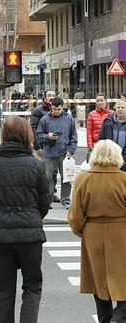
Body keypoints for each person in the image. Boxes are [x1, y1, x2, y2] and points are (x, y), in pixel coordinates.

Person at [0, 116, 50, 323]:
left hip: (0, 233)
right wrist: (31, 215)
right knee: (32, 286)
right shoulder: (36, 165)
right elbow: (45, 202)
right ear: (26, 135)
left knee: (4, 291)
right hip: (29, 232)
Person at [67, 139, 126, 323]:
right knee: (123, 279)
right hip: (121, 232)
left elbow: (75, 215)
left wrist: (82, 231)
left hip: (93, 233)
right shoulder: (123, 179)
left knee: (99, 282)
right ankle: (120, 316)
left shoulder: (83, 179)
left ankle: (105, 319)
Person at [36, 97, 78, 210]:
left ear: (62, 107)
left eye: (58, 109)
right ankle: (48, 200)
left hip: (64, 154)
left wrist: (71, 150)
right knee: (48, 179)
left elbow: (73, 136)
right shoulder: (45, 119)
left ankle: (65, 199)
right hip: (49, 154)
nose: (56, 111)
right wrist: (47, 136)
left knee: (66, 178)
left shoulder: (69, 119)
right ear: (51, 107)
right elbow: (38, 135)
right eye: (54, 109)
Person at [98, 99, 126, 171]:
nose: (120, 109)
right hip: (110, 158)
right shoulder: (108, 121)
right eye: (118, 107)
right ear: (115, 109)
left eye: (122, 107)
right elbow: (101, 138)